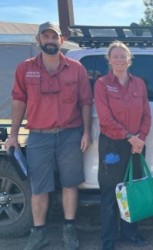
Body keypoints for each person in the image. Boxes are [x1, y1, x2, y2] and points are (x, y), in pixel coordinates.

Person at [5, 22, 93, 250]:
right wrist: (13, 135)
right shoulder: (25, 68)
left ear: (61, 40)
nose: (50, 40)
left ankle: (69, 229)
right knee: (39, 187)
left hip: (70, 135)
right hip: (38, 137)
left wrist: (86, 131)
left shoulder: (76, 68)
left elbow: (85, 102)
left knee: (69, 184)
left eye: (54, 36)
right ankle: (38, 233)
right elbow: (19, 101)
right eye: (46, 36)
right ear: (39, 40)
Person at [94, 40, 152, 250]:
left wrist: (141, 138)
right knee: (110, 192)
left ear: (130, 60)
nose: (119, 60)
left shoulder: (139, 84)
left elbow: (146, 114)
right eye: (115, 56)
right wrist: (130, 137)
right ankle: (108, 239)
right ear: (109, 60)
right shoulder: (102, 84)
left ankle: (130, 233)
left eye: (123, 56)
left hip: (136, 144)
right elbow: (105, 119)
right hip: (112, 145)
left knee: (132, 191)